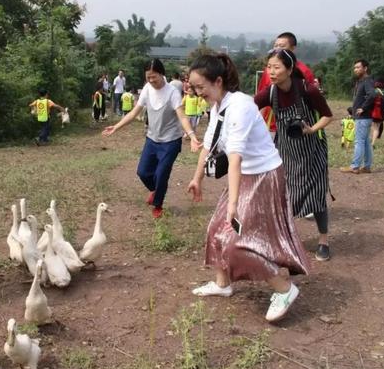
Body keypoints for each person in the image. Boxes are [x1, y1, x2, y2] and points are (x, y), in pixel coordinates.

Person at [187, 54, 310, 322]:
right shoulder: (219, 106)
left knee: (239, 242)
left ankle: (284, 289)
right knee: (216, 229)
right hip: (242, 176)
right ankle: (222, 284)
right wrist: (197, 178)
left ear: (218, 81)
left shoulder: (241, 106)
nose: (197, 93)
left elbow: (235, 157)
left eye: (200, 87)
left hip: (262, 176)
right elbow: (208, 145)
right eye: (193, 88)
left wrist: (233, 204)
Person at [255, 49, 334, 261]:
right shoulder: (270, 93)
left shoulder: (309, 90)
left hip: (313, 152)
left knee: (317, 197)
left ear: (290, 70)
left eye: (276, 67)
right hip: (286, 154)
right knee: (285, 197)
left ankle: (323, 241)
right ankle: (285, 238)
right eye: (269, 67)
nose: (271, 71)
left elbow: (328, 116)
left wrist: (311, 129)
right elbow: (249, 107)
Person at [102, 59, 200, 218]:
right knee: (143, 172)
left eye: (154, 77)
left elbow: (182, 117)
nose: (151, 80)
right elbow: (134, 113)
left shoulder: (172, 92)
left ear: (162, 74)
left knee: (161, 174)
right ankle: (156, 190)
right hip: (152, 139)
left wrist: (192, 135)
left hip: (170, 142)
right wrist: (116, 126)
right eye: (148, 77)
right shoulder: (147, 89)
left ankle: (158, 205)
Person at [257, 32, 315, 138]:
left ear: (293, 48)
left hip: (295, 126)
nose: (277, 49)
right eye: (275, 45)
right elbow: (260, 99)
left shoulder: (305, 71)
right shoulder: (269, 71)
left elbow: (312, 102)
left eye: (282, 46)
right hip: (271, 126)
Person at [340, 59, 375, 174]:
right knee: (365, 142)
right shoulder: (361, 81)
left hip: (363, 117)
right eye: (355, 67)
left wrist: (363, 108)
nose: (356, 69)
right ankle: (367, 166)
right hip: (363, 117)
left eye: (358, 67)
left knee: (359, 141)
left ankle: (354, 166)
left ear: (365, 68)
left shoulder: (367, 81)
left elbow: (372, 95)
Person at [370, 79, 384, 147]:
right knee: (377, 128)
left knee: (373, 127)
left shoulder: (374, 91)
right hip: (381, 113)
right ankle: (373, 143)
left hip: (373, 112)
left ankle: (371, 141)